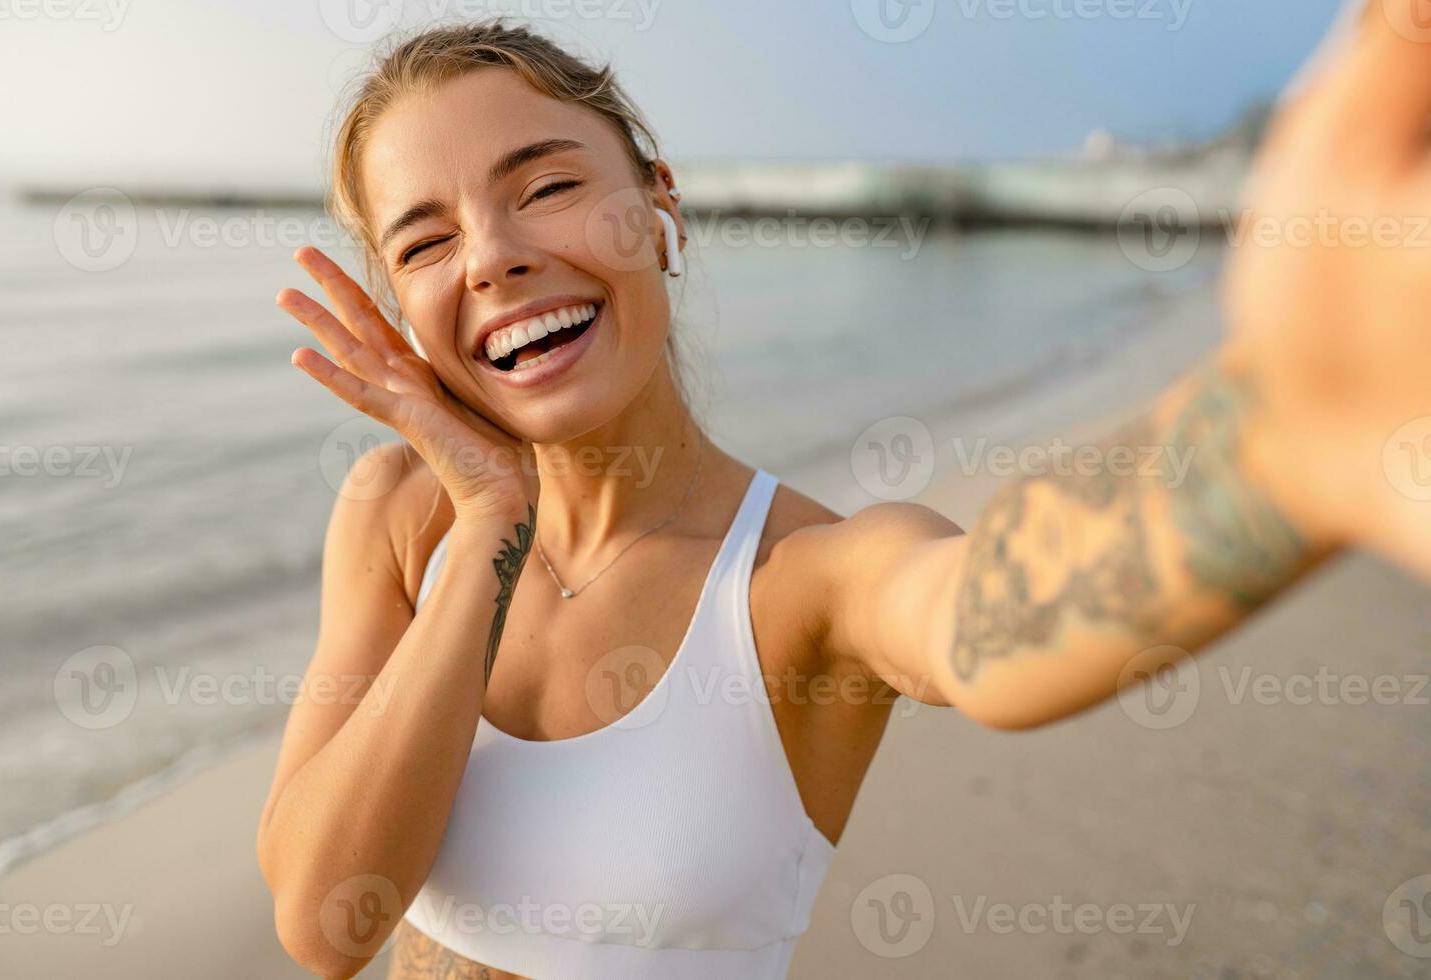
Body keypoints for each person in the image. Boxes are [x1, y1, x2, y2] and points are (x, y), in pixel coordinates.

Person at [256, 6, 1431, 978]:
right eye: (421, 243)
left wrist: (1283, 434)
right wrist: (487, 529)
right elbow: (326, 923)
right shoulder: (397, 521)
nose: (491, 255)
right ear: (397, 307)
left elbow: (980, 618)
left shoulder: (800, 582)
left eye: (546, 184)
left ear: (657, 204)